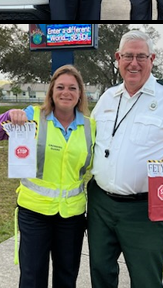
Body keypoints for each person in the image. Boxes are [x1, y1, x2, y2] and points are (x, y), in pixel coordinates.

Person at [87, 29, 163, 287]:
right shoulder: (108, 97)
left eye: (142, 56)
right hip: (100, 204)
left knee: (146, 279)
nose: (134, 63)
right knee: (100, 272)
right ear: (118, 58)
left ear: (152, 59)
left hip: (146, 209)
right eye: (128, 56)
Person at [0, 65, 95, 288]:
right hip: (34, 213)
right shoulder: (33, 115)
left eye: (73, 87)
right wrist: (8, 116)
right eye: (60, 87)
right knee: (32, 277)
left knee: (66, 276)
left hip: (72, 215)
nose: (66, 92)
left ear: (80, 93)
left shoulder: (91, 126)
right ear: (51, 91)